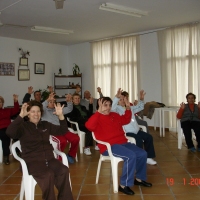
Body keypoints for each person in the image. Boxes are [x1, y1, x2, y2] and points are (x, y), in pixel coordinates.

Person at [6, 100, 73, 200]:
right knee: (48, 174)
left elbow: (63, 130)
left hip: (49, 159)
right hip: (31, 162)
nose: (36, 114)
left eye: (38, 111)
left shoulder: (45, 125)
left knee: (63, 170)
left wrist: (61, 116)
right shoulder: (22, 127)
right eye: (33, 111)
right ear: (28, 114)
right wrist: (20, 116)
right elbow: (9, 133)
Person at [85, 96, 152, 196]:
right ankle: (123, 185)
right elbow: (88, 126)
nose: (108, 108)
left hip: (123, 143)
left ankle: (139, 178)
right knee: (131, 156)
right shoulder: (97, 117)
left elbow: (125, 120)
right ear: (99, 106)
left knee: (142, 153)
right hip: (109, 147)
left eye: (109, 105)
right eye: (105, 105)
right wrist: (98, 111)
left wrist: (128, 108)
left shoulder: (114, 115)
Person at [112, 89, 157, 165]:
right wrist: (116, 97)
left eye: (124, 99)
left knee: (149, 137)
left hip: (136, 131)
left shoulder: (130, 108)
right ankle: (139, 158)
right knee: (138, 140)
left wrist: (141, 99)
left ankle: (148, 158)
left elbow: (140, 107)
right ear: (118, 101)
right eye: (121, 100)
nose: (123, 101)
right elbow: (112, 107)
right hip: (127, 132)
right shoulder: (116, 109)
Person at [41, 92, 79, 164]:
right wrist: (47, 100)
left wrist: (69, 102)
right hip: (52, 131)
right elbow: (41, 107)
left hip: (62, 129)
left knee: (76, 138)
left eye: (53, 102)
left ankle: (70, 155)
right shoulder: (43, 111)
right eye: (50, 102)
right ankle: (59, 159)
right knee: (62, 141)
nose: (52, 103)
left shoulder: (57, 109)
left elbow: (69, 109)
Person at [0, 94, 20, 165]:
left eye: (0, 102)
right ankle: (6, 156)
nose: (0, 104)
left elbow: (16, 110)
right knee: (5, 137)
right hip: (0, 129)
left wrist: (15, 101)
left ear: (2, 103)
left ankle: (18, 152)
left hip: (9, 128)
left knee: (17, 133)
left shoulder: (7, 110)